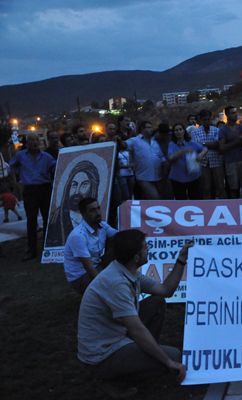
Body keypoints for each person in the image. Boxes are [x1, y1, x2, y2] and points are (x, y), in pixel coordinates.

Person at [77, 230, 190, 397]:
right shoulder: (116, 283)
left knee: (156, 302)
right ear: (136, 257)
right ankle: (111, 380)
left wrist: (181, 260)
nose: (149, 249)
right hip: (102, 355)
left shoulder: (126, 271)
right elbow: (136, 329)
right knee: (174, 356)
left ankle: (143, 357)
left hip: (116, 338)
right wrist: (168, 362)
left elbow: (165, 290)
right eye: (145, 247)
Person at [9, 132, 56, 260]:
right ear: (27, 143)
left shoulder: (47, 157)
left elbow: (56, 168)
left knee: (48, 219)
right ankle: (31, 250)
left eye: (37, 140)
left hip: (45, 189)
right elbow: (11, 167)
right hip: (29, 191)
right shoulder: (20, 156)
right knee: (31, 220)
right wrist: (17, 181)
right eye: (31, 140)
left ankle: (48, 247)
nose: (35, 142)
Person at [63, 197, 117, 294]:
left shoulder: (102, 225)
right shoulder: (78, 236)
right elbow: (89, 268)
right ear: (83, 214)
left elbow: (121, 236)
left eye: (98, 208)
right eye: (92, 210)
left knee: (124, 246)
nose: (98, 213)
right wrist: (106, 286)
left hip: (97, 265)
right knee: (114, 288)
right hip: (81, 277)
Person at [46, 160, 100, 247]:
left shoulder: (98, 216)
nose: (77, 191)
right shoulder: (56, 218)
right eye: (74, 185)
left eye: (84, 185)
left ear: (93, 188)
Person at [126, 121, 165, 200]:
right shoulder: (134, 140)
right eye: (149, 127)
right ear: (142, 129)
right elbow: (124, 145)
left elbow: (161, 156)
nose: (151, 129)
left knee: (155, 199)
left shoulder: (155, 142)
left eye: (151, 127)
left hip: (158, 176)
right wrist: (118, 140)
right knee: (155, 198)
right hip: (144, 177)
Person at [192, 110, 226, 199]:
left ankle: (222, 205)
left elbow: (217, 144)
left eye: (208, 119)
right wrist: (211, 144)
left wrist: (202, 144)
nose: (207, 121)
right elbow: (196, 146)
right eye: (204, 119)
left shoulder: (217, 130)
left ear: (211, 119)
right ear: (201, 120)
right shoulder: (195, 132)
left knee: (220, 186)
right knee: (206, 188)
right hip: (203, 163)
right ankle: (208, 208)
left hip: (216, 161)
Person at [168, 123, 207, 200]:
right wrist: (183, 151)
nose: (178, 132)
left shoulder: (191, 143)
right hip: (178, 178)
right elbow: (170, 158)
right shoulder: (171, 144)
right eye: (176, 130)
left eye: (180, 129)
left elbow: (205, 148)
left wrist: (201, 154)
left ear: (184, 131)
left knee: (196, 200)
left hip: (193, 177)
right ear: (174, 133)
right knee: (181, 202)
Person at [219, 106, 242, 198]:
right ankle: (235, 209)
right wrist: (237, 142)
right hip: (230, 162)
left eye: (236, 112)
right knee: (234, 188)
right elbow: (222, 147)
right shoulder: (223, 130)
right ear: (227, 115)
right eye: (233, 113)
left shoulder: (241, 127)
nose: (236, 114)